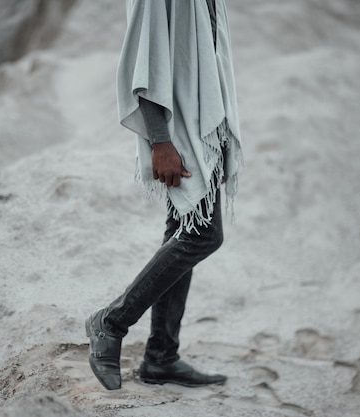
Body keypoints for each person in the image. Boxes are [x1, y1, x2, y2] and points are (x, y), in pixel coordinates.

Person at [86, 0, 243, 391]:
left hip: (202, 127)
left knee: (181, 230)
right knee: (202, 235)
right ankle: (111, 322)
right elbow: (145, 61)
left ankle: (161, 357)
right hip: (178, 131)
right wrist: (160, 142)